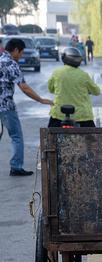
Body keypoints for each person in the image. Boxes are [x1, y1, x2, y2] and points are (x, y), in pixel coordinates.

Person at [0, 38, 52, 176]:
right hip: (5, 107)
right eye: (21, 52)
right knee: (16, 136)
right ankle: (16, 167)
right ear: (16, 50)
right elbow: (24, 87)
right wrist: (40, 100)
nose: (21, 56)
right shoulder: (11, 64)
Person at [47, 47, 100, 127]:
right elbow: (97, 92)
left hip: (60, 115)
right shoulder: (83, 75)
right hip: (82, 117)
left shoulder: (57, 73)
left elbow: (50, 89)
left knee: (51, 135)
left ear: (64, 58)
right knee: (91, 137)